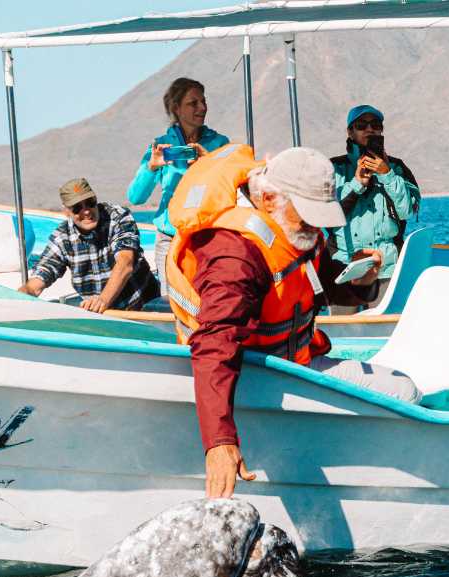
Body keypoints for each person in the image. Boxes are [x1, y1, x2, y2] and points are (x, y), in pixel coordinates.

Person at [165, 144, 422, 498]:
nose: (317, 226)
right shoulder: (235, 255)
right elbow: (214, 344)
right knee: (405, 391)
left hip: (291, 359)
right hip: (258, 372)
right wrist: (220, 442)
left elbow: (317, 284)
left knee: (401, 386)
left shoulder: (295, 228)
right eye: (309, 215)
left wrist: (359, 283)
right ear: (270, 199)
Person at [127, 77, 230, 293]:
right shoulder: (160, 146)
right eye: (193, 103)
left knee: (208, 301)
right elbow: (136, 197)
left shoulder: (220, 144)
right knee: (172, 304)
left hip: (207, 238)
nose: (202, 108)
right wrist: (152, 167)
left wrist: (209, 162)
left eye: (204, 101)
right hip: (170, 240)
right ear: (176, 108)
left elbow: (230, 188)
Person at [20, 178, 158, 313]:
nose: (86, 211)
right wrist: (19, 297)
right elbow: (37, 282)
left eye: (90, 203)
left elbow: (125, 263)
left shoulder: (118, 217)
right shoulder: (62, 238)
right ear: (66, 211)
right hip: (105, 317)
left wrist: (102, 301)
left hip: (146, 308)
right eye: (77, 208)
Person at [329, 104, 421, 303]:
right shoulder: (334, 168)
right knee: (345, 328)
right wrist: (357, 183)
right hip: (344, 266)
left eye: (376, 125)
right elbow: (328, 216)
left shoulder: (398, 168)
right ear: (350, 132)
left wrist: (387, 174)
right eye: (362, 125)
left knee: (386, 325)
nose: (370, 129)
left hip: (386, 268)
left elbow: (405, 212)